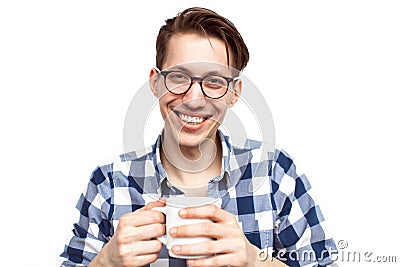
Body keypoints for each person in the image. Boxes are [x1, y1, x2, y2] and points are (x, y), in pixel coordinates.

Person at [60, 7, 338, 267]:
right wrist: (106, 261)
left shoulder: (275, 172)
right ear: (156, 83)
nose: (194, 100)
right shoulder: (109, 182)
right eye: (179, 77)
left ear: (234, 93)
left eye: (215, 81)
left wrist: (255, 259)